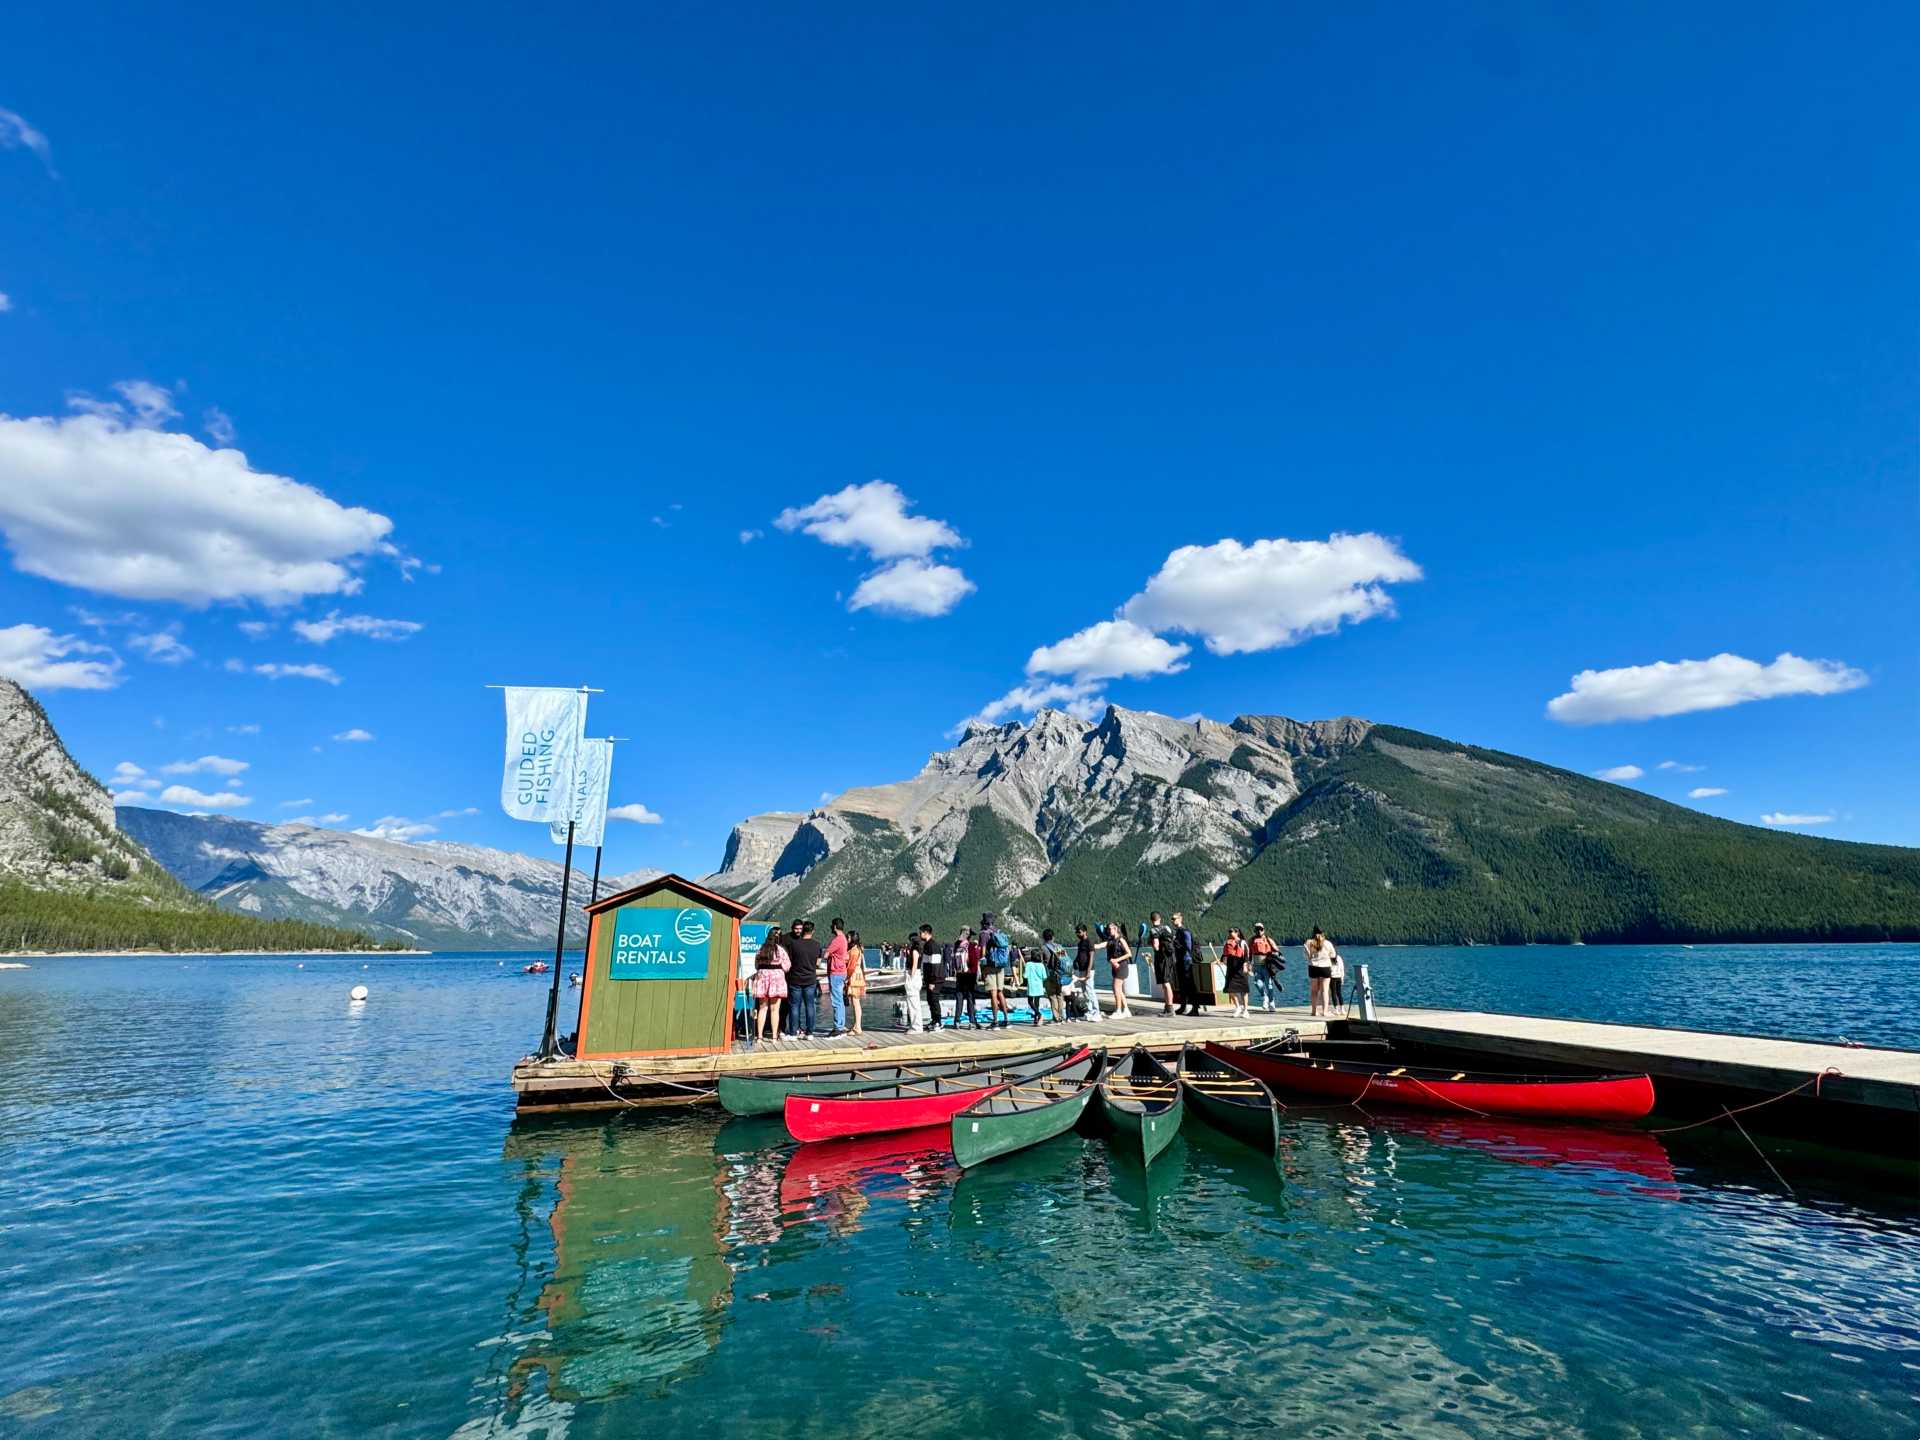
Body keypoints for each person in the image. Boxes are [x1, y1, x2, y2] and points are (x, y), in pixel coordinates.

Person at [782, 920, 823, 1037]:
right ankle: (809, 1033)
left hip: (795, 979)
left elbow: (789, 962)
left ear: (803, 930)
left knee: (794, 1006)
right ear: (813, 931)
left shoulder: (794, 944)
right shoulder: (817, 945)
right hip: (810, 979)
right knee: (810, 1006)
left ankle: (793, 1033)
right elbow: (818, 963)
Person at [751, 927, 790, 1043]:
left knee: (762, 1009)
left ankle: (760, 1037)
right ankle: (773, 1037)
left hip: (762, 979)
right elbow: (787, 966)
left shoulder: (761, 949)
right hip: (776, 981)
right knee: (775, 1010)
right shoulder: (780, 950)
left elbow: (756, 965)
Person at [980, 914, 1014, 1029]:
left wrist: (982, 967)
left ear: (984, 922)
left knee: (993, 994)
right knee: (1000, 992)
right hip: (1001, 966)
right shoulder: (998, 931)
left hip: (990, 966)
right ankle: (1006, 1020)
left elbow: (983, 952)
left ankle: (995, 1022)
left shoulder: (984, 934)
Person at [1171, 911, 1204, 1015]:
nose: (1173, 920)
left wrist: (1175, 943)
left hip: (1186, 961)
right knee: (1182, 985)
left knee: (1190, 984)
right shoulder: (1177, 932)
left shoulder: (1185, 931)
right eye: (1172, 919)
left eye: (1174, 918)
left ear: (1180, 919)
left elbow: (1188, 947)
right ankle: (1183, 1006)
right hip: (1180, 960)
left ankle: (1195, 1008)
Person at [824, 917, 850, 1037]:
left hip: (836, 972)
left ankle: (838, 1027)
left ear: (834, 926)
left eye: (831, 925)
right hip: (842, 971)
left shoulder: (837, 939)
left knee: (836, 1000)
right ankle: (841, 1024)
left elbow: (826, 954)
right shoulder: (844, 938)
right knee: (839, 1000)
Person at [1248, 923, 1283, 1013]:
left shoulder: (1268, 939)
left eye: (1261, 929)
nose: (1259, 931)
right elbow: (1249, 954)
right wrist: (1249, 964)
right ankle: (1265, 997)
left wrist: (1274, 957)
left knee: (1269, 985)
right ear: (1254, 930)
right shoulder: (1251, 940)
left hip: (1267, 966)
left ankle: (1272, 1003)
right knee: (1257, 983)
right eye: (1257, 929)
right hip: (1256, 966)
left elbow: (1277, 951)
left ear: (1264, 930)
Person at [916, 923, 945, 1031]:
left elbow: (935, 965)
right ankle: (934, 1020)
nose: (919, 935)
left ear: (926, 933)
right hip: (929, 979)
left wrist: (932, 981)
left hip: (936, 979)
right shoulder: (927, 945)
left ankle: (938, 1022)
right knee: (929, 999)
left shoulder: (933, 946)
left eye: (920, 932)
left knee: (934, 999)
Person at [951, 925, 980, 1027]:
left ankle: (957, 1021)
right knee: (970, 998)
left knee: (959, 998)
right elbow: (974, 962)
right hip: (969, 975)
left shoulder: (956, 945)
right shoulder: (971, 946)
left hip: (960, 975)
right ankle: (972, 1021)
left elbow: (954, 962)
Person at [1105, 922, 1134, 1019]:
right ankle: (1126, 1010)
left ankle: (1118, 1011)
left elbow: (1129, 954)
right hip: (1115, 967)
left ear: (1116, 929)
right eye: (1108, 929)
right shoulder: (1111, 941)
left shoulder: (1121, 940)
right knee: (1119, 990)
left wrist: (1116, 960)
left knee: (1116, 988)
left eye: (1110, 929)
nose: (1109, 931)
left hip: (1122, 966)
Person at [1039, 927, 1068, 1024]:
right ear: (1053, 937)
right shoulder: (1058, 947)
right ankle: (1062, 1016)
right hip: (1060, 974)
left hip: (1050, 974)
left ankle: (1056, 1017)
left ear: (1043, 938)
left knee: (1052, 996)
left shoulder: (1043, 948)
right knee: (1059, 994)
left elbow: (1041, 962)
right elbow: (1064, 960)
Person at [1221, 927, 1251, 1018]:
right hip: (1231, 969)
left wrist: (1246, 966)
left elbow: (1246, 956)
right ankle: (1238, 1007)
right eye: (1229, 931)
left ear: (1237, 933)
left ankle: (1245, 1010)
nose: (1230, 933)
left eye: (1231, 932)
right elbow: (1224, 955)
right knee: (1230, 989)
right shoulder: (1227, 943)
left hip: (1241, 969)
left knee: (1244, 990)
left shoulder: (1242, 943)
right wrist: (1221, 960)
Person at [1305, 926, 1335, 1018]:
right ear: (1323, 933)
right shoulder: (1327, 943)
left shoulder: (1309, 942)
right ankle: (1325, 1011)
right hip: (1325, 967)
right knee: (1325, 990)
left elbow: (1307, 957)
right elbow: (1333, 955)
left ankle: (1314, 1011)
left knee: (1314, 991)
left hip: (1313, 967)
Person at [901, 929, 928, 1033]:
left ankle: (916, 1026)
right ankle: (915, 1025)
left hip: (913, 975)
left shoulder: (915, 950)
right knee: (913, 1002)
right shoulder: (917, 950)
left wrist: (910, 977)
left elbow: (914, 965)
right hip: (916, 975)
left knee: (913, 1002)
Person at [1071, 924, 1098, 1020]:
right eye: (1076, 932)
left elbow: (1091, 957)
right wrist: (1075, 961)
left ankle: (1096, 1012)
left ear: (1084, 931)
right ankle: (1089, 1011)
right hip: (1081, 969)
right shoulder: (1080, 943)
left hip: (1088, 969)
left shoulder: (1089, 942)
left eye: (1079, 932)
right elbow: (1079, 954)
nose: (1077, 934)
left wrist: (1089, 971)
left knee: (1090, 990)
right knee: (1084, 991)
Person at [844, 929, 868, 1036]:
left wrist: (846, 977)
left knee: (855, 1002)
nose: (847, 939)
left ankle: (858, 1026)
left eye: (848, 937)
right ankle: (856, 1025)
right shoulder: (859, 948)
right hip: (859, 975)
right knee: (856, 1002)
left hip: (854, 976)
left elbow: (851, 966)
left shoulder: (854, 950)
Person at [1022, 944, 1050, 1026]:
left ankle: (1039, 1014)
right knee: (1037, 1002)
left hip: (1031, 986)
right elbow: (1044, 977)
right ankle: (1036, 1018)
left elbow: (1025, 976)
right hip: (1039, 986)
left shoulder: (1028, 964)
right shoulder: (1041, 965)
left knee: (1030, 1002)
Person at [1328, 946, 1346, 1012]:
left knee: (1333, 993)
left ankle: (1336, 1009)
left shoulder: (1329, 958)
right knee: (1339, 993)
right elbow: (1342, 969)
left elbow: (1329, 969)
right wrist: (1342, 978)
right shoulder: (1339, 958)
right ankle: (1342, 1008)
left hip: (1332, 977)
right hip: (1339, 977)